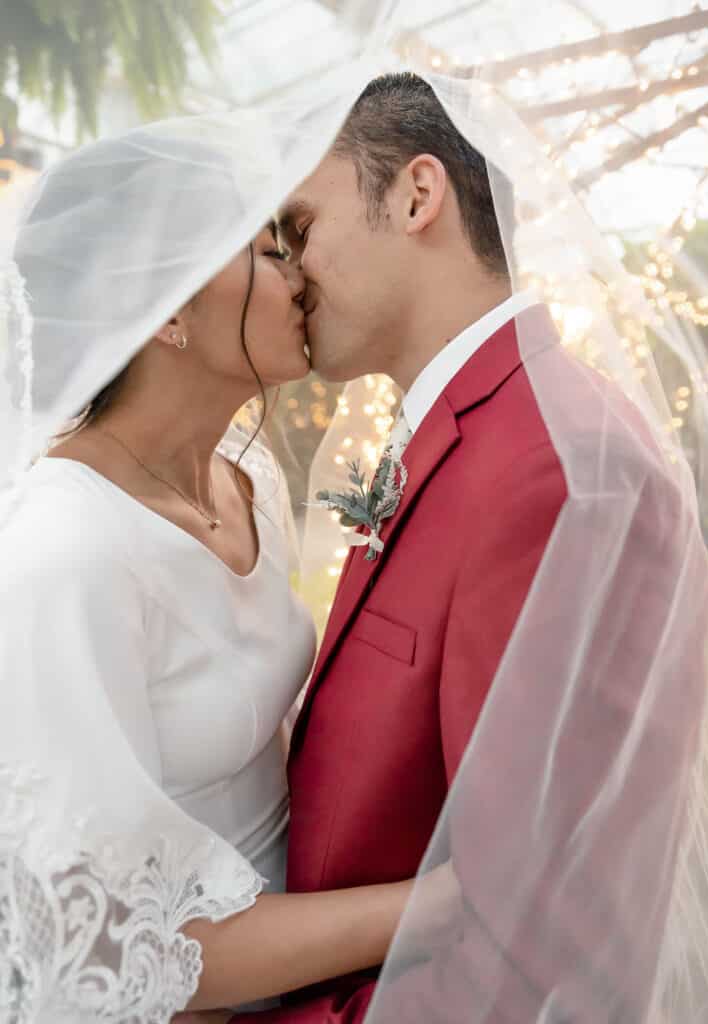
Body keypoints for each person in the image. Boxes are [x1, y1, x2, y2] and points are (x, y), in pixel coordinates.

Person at [230, 71, 708, 1023]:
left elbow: (540, 934)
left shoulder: (557, 465)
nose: (288, 270)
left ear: (417, 196)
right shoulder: (465, 431)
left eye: (301, 226)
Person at [0, 122, 444, 1021]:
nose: (302, 272)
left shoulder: (249, 481)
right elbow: (120, 950)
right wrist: (455, 903)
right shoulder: (64, 554)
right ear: (165, 306)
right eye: (268, 246)